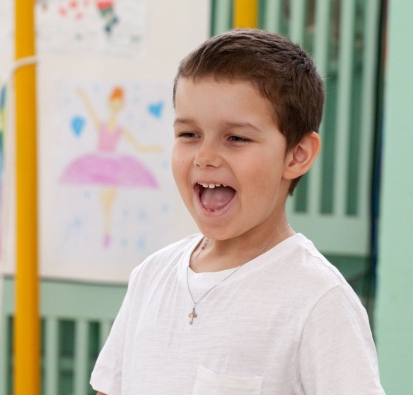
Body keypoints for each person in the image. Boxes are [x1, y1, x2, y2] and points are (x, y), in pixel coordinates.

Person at [90, 28, 385, 394]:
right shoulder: (150, 277)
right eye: (189, 134)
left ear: (297, 155)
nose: (205, 157)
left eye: (236, 138)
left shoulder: (319, 299)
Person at [60, 86, 161, 248]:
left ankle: (106, 233)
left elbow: (137, 146)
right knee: (103, 204)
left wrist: (152, 148)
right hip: (99, 165)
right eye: (114, 103)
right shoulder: (101, 125)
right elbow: (91, 112)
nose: (115, 106)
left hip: (112, 168)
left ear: (121, 106)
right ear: (109, 104)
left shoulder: (120, 129)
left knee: (108, 204)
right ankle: (105, 233)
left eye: (118, 104)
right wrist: (84, 98)